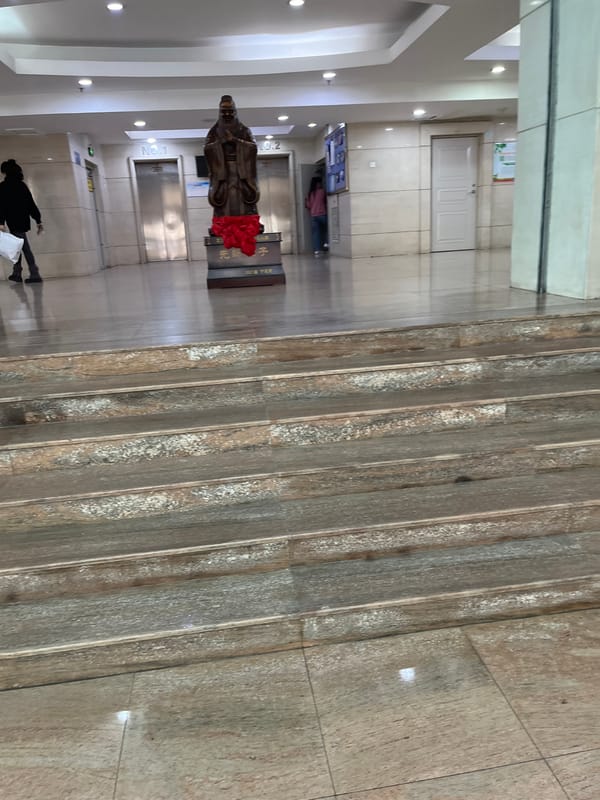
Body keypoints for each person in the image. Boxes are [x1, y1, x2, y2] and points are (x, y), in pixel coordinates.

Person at [204, 95, 260, 219]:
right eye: (224, 112)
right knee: (223, 197)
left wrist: (235, 140)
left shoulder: (244, 130)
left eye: (231, 111)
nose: (228, 114)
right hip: (222, 172)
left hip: (242, 170)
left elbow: (253, 147)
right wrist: (221, 142)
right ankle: (222, 222)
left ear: (235, 111)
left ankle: (248, 221)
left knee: (245, 196)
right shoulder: (214, 131)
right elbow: (207, 148)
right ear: (219, 112)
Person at [0, 159, 43, 283]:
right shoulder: (22, 185)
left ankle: (32, 273)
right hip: (23, 221)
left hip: (13, 221)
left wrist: (1, 222)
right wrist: (38, 220)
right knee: (18, 246)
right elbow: (31, 204)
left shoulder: (3, 187)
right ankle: (18, 272)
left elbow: (1, 206)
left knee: (23, 247)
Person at [305, 175, 328, 255]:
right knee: (327, 229)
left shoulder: (310, 194)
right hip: (322, 214)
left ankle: (317, 250)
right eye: (320, 183)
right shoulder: (322, 191)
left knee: (316, 234)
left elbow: (308, 206)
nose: (321, 184)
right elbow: (326, 201)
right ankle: (326, 243)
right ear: (318, 183)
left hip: (313, 216)